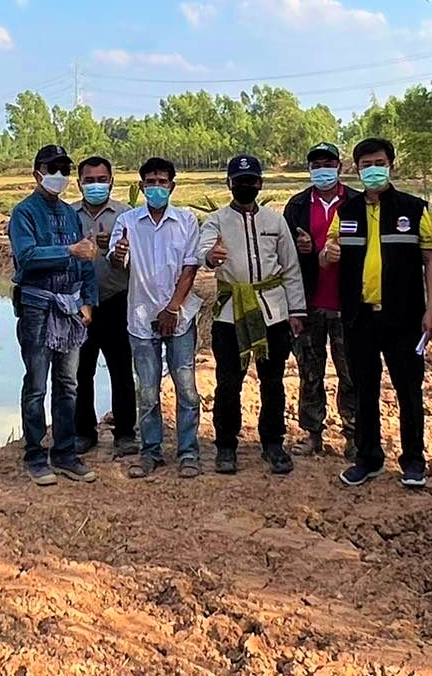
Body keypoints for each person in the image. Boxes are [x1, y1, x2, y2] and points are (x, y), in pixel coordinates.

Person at [328, 137, 432, 489]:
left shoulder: (414, 208)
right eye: (366, 165)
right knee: (364, 389)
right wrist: (326, 254)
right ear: (357, 169)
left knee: (408, 390)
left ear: (391, 165)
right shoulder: (345, 211)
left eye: (379, 163)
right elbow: (328, 252)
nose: (372, 170)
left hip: (404, 318)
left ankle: (413, 461)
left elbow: (431, 259)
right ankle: (368, 459)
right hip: (359, 318)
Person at [197, 155, 306, 475]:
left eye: (251, 181)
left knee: (273, 380)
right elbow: (202, 252)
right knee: (228, 381)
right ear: (229, 184)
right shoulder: (216, 221)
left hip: (273, 311)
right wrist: (211, 256)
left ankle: (273, 442)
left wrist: (296, 310)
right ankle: (225, 446)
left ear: (260, 183)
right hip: (231, 314)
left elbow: (290, 268)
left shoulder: (275, 221)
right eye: (239, 181)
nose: (246, 186)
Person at [6, 143, 101, 486]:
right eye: (53, 169)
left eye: (64, 170)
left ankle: (64, 452)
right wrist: (68, 250)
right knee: (36, 383)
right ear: (38, 174)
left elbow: (86, 259)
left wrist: (88, 300)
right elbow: (27, 257)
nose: (59, 175)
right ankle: (35, 455)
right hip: (37, 307)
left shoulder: (70, 215)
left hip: (70, 308)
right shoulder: (24, 213)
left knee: (68, 383)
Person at [109, 158, 204, 478]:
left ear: (172, 186)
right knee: (147, 390)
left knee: (186, 388)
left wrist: (173, 308)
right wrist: (118, 254)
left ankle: (188, 451)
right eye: (150, 182)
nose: (156, 188)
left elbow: (190, 268)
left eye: (162, 182)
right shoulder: (127, 222)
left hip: (180, 317)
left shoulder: (186, 221)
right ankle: (151, 451)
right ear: (141, 186)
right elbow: (116, 261)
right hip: (140, 317)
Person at [282, 143, 359, 457]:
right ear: (309, 169)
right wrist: (304, 251)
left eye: (328, 163)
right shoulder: (298, 205)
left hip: (348, 303)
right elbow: (285, 256)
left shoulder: (356, 202)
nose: (322, 170)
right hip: (310, 302)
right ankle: (313, 433)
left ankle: (353, 436)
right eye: (316, 165)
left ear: (339, 166)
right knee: (310, 372)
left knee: (350, 372)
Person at [73, 156, 137, 458]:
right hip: (80, 303)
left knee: (121, 369)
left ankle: (125, 433)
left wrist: (114, 247)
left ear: (112, 181)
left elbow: (140, 259)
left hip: (116, 299)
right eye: (89, 180)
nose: (95, 185)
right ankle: (84, 432)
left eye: (101, 179)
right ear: (79, 183)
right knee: (80, 370)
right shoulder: (68, 215)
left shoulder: (127, 216)